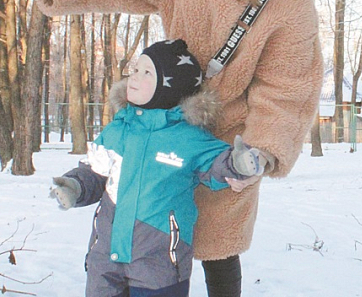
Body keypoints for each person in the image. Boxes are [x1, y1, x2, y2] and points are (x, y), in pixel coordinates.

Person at [0, 0, 322, 297]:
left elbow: (288, 86)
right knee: (146, 237)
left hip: (227, 138)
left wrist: (260, 153)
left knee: (218, 246)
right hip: (162, 120)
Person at [51, 40, 266, 296]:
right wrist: (74, 186)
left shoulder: (187, 137)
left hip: (159, 263)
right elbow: (94, 171)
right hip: (106, 257)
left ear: (170, 87)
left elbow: (217, 164)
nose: (134, 77)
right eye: (136, 69)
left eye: (147, 73)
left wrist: (239, 163)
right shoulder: (118, 130)